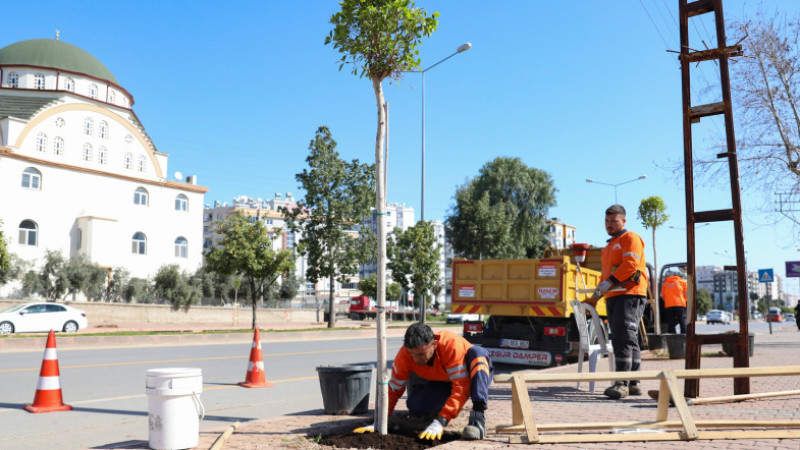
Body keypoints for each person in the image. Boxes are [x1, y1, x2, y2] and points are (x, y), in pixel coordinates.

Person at [354, 323, 493, 440]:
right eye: (412, 354)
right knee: (416, 406)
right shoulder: (404, 355)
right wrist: (378, 421)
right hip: (442, 381)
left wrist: (441, 421)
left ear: (434, 344)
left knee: (477, 353)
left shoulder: (451, 346)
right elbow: (393, 390)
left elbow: (462, 388)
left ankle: (478, 418)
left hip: (474, 375)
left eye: (421, 354)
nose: (416, 359)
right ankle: (436, 414)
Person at [590, 204, 649, 400]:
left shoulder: (630, 238)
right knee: (627, 338)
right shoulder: (608, 246)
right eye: (607, 221)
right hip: (615, 295)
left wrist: (608, 283)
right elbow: (606, 274)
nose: (609, 224)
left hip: (630, 293)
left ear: (624, 221)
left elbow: (631, 266)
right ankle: (633, 383)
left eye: (614, 221)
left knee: (623, 337)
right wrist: (596, 296)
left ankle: (622, 383)